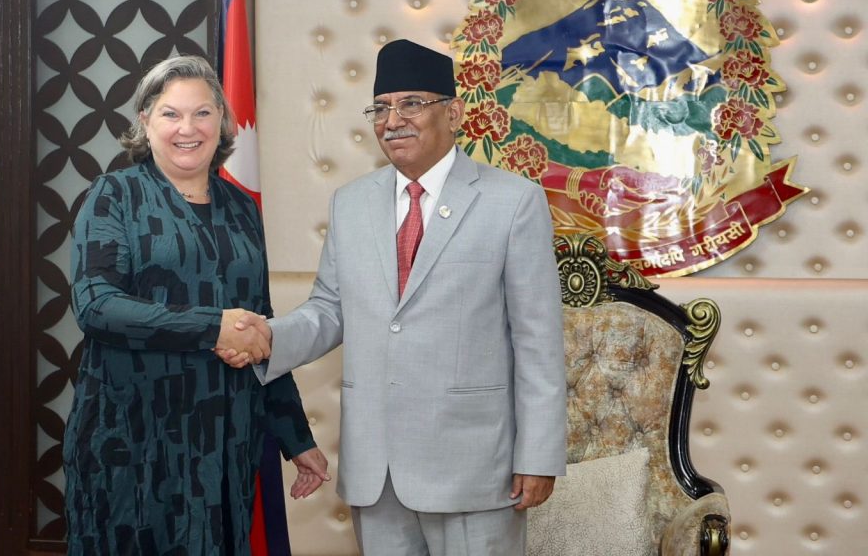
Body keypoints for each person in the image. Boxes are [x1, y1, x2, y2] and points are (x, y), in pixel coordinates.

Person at [226, 39, 566, 555]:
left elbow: (537, 340)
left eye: (411, 103)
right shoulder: (351, 204)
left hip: (473, 469)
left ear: (453, 113)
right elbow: (329, 309)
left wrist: (539, 456)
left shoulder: (512, 202)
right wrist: (268, 337)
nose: (392, 120)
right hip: (376, 472)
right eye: (381, 107)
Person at [63, 55, 329, 555]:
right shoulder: (114, 196)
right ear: (146, 122)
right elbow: (96, 305)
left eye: (202, 113)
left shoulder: (242, 208)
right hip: (133, 443)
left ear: (223, 123)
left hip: (223, 446)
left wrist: (297, 438)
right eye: (171, 114)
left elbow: (257, 328)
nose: (188, 128)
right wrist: (212, 328)